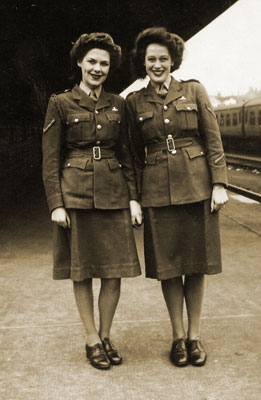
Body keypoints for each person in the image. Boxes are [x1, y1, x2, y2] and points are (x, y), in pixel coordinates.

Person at [126, 27, 228, 367]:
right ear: (143, 62)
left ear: (173, 61)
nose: (157, 65)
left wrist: (219, 184)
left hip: (197, 186)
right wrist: (134, 198)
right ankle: (177, 338)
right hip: (156, 190)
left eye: (163, 59)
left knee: (195, 265)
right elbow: (131, 155)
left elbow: (213, 139)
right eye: (151, 59)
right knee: (169, 268)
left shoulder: (194, 90)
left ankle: (195, 337)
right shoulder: (134, 102)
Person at [42, 32, 142, 370]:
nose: (97, 68)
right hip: (76, 195)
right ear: (80, 64)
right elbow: (50, 159)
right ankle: (91, 339)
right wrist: (56, 203)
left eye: (104, 63)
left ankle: (105, 334)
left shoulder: (119, 104)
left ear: (109, 68)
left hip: (114, 194)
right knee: (81, 272)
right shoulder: (61, 102)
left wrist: (133, 198)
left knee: (113, 273)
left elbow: (127, 154)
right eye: (92, 62)